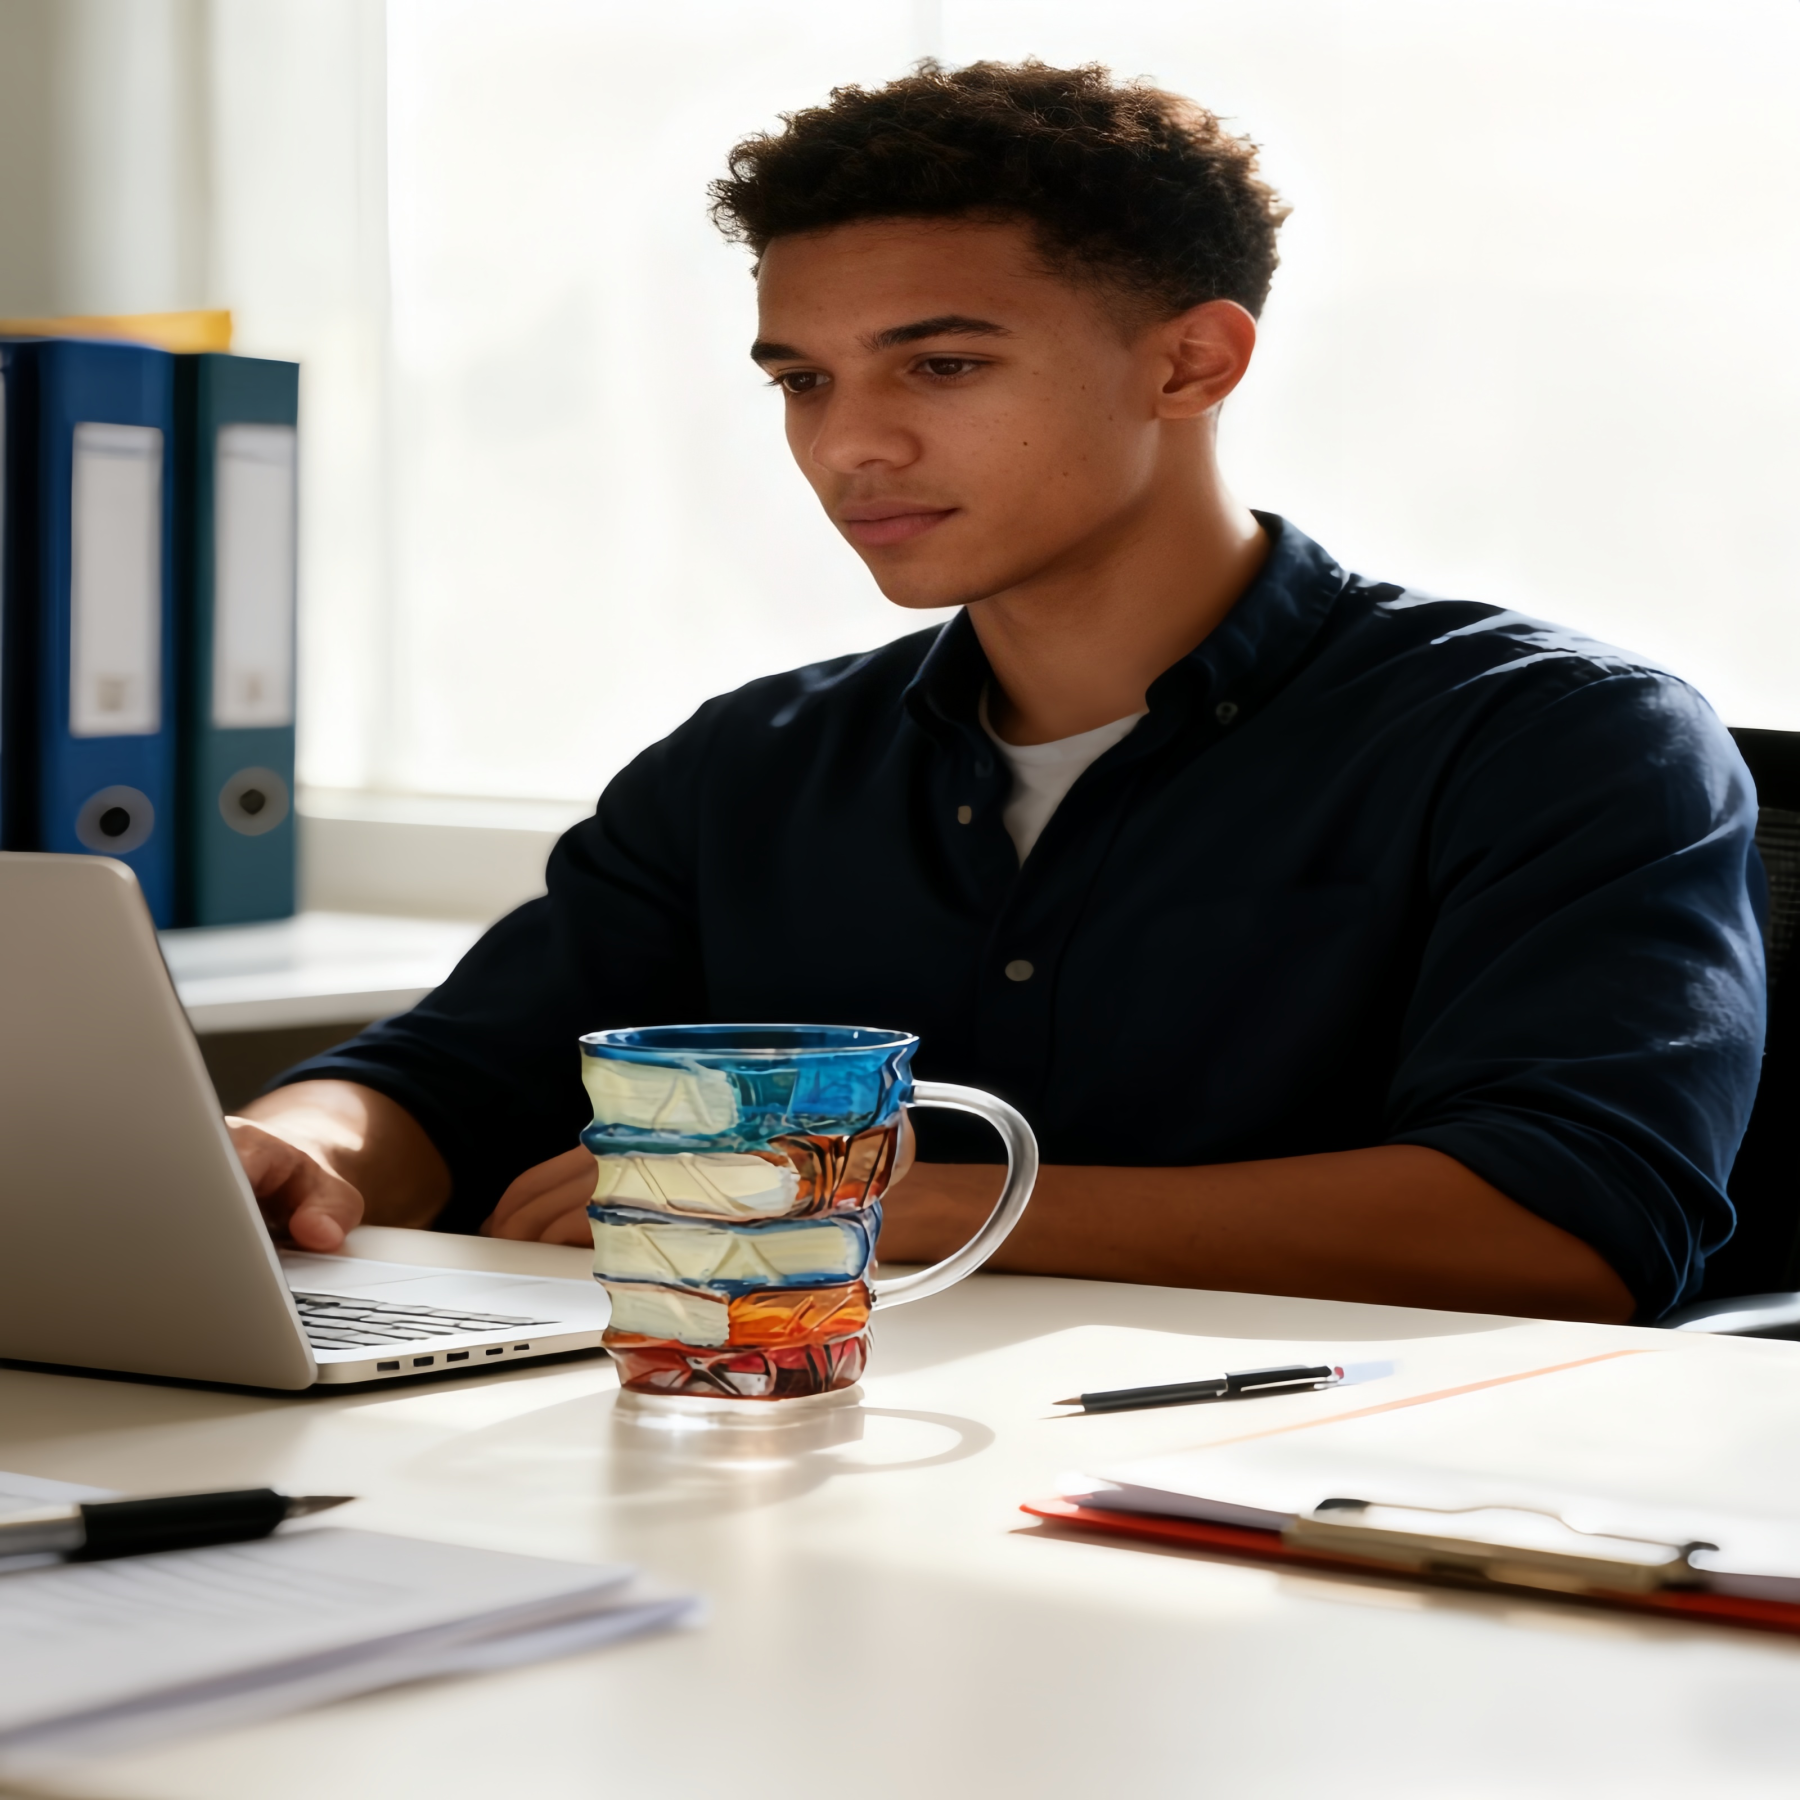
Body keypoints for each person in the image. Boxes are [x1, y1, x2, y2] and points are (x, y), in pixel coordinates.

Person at [234, 60, 1765, 1323]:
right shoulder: (749, 765)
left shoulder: (1557, 739)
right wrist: (283, 1148)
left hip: (1309, 1521)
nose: (849, 447)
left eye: (943, 366)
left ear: (1192, 364)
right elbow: (446, 1082)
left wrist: (860, 1199)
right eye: (803, 379)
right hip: (808, 1464)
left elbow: (1562, 1229)